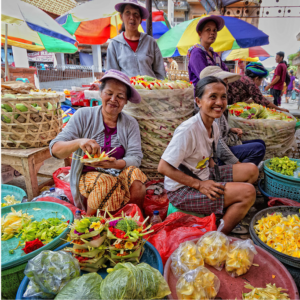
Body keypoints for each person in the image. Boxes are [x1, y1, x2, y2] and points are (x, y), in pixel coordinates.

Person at [157, 76, 258, 234]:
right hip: (181, 190)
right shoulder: (188, 130)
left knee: (252, 170)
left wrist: (217, 176)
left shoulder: (214, 126)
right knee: (248, 192)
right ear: (198, 101)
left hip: (202, 174)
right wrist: (200, 185)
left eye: (223, 97)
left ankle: (223, 214)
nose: (219, 102)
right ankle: (216, 238)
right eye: (213, 97)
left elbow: (207, 156)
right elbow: (163, 167)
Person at [50, 69, 147, 216]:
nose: (114, 99)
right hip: (88, 176)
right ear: (100, 94)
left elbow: (135, 157)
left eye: (120, 96)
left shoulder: (130, 123)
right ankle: (90, 224)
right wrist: (79, 142)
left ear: (126, 101)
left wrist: (115, 164)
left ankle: (132, 218)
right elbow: (55, 149)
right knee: (105, 182)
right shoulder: (83, 116)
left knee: (137, 178)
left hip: (118, 172)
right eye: (109, 93)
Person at [200, 66, 266, 166]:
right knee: (259, 149)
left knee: (260, 143)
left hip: (224, 146)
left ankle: (242, 171)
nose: (226, 88)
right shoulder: (210, 110)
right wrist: (237, 164)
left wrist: (231, 129)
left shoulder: (218, 106)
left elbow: (218, 130)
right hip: (216, 156)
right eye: (222, 83)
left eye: (226, 84)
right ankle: (238, 172)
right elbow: (219, 146)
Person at [107, 0, 165, 80]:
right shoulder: (114, 44)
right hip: (127, 91)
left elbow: (161, 74)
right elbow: (112, 76)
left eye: (136, 13)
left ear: (140, 19)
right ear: (121, 17)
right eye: (127, 12)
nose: (132, 17)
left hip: (150, 90)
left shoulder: (150, 42)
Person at [188, 15, 228, 88]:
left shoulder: (215, 55)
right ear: (200, 34)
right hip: (204, 96)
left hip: (217, 94)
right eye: (208, 29)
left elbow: (226, 72)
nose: (212, 33)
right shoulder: (196, 53)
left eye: (214, 30)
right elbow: (205, 78)